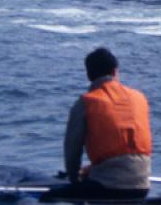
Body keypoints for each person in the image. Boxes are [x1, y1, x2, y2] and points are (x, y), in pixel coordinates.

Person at [53, 47, 152, 202]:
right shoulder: (139, 98)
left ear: (88, 75)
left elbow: (72, 150)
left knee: (48, 197)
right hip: (142, 186)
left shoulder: (85, 102)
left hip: (108, 188)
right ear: (115, 72)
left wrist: (74, 179)